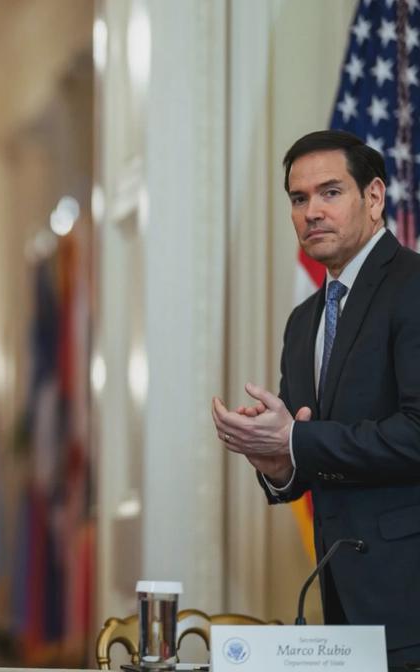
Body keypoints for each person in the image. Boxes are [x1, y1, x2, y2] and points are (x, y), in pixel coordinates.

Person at [212, 130, 420, 664]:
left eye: (330, 192)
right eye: (298, 198)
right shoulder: (304, 320)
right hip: (339, 598)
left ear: (374, 198)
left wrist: (296, 440)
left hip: (409, 598)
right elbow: (306, 453)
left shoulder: (413, 286)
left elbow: (417, 433)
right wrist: (276, 460)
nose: (312, 213)